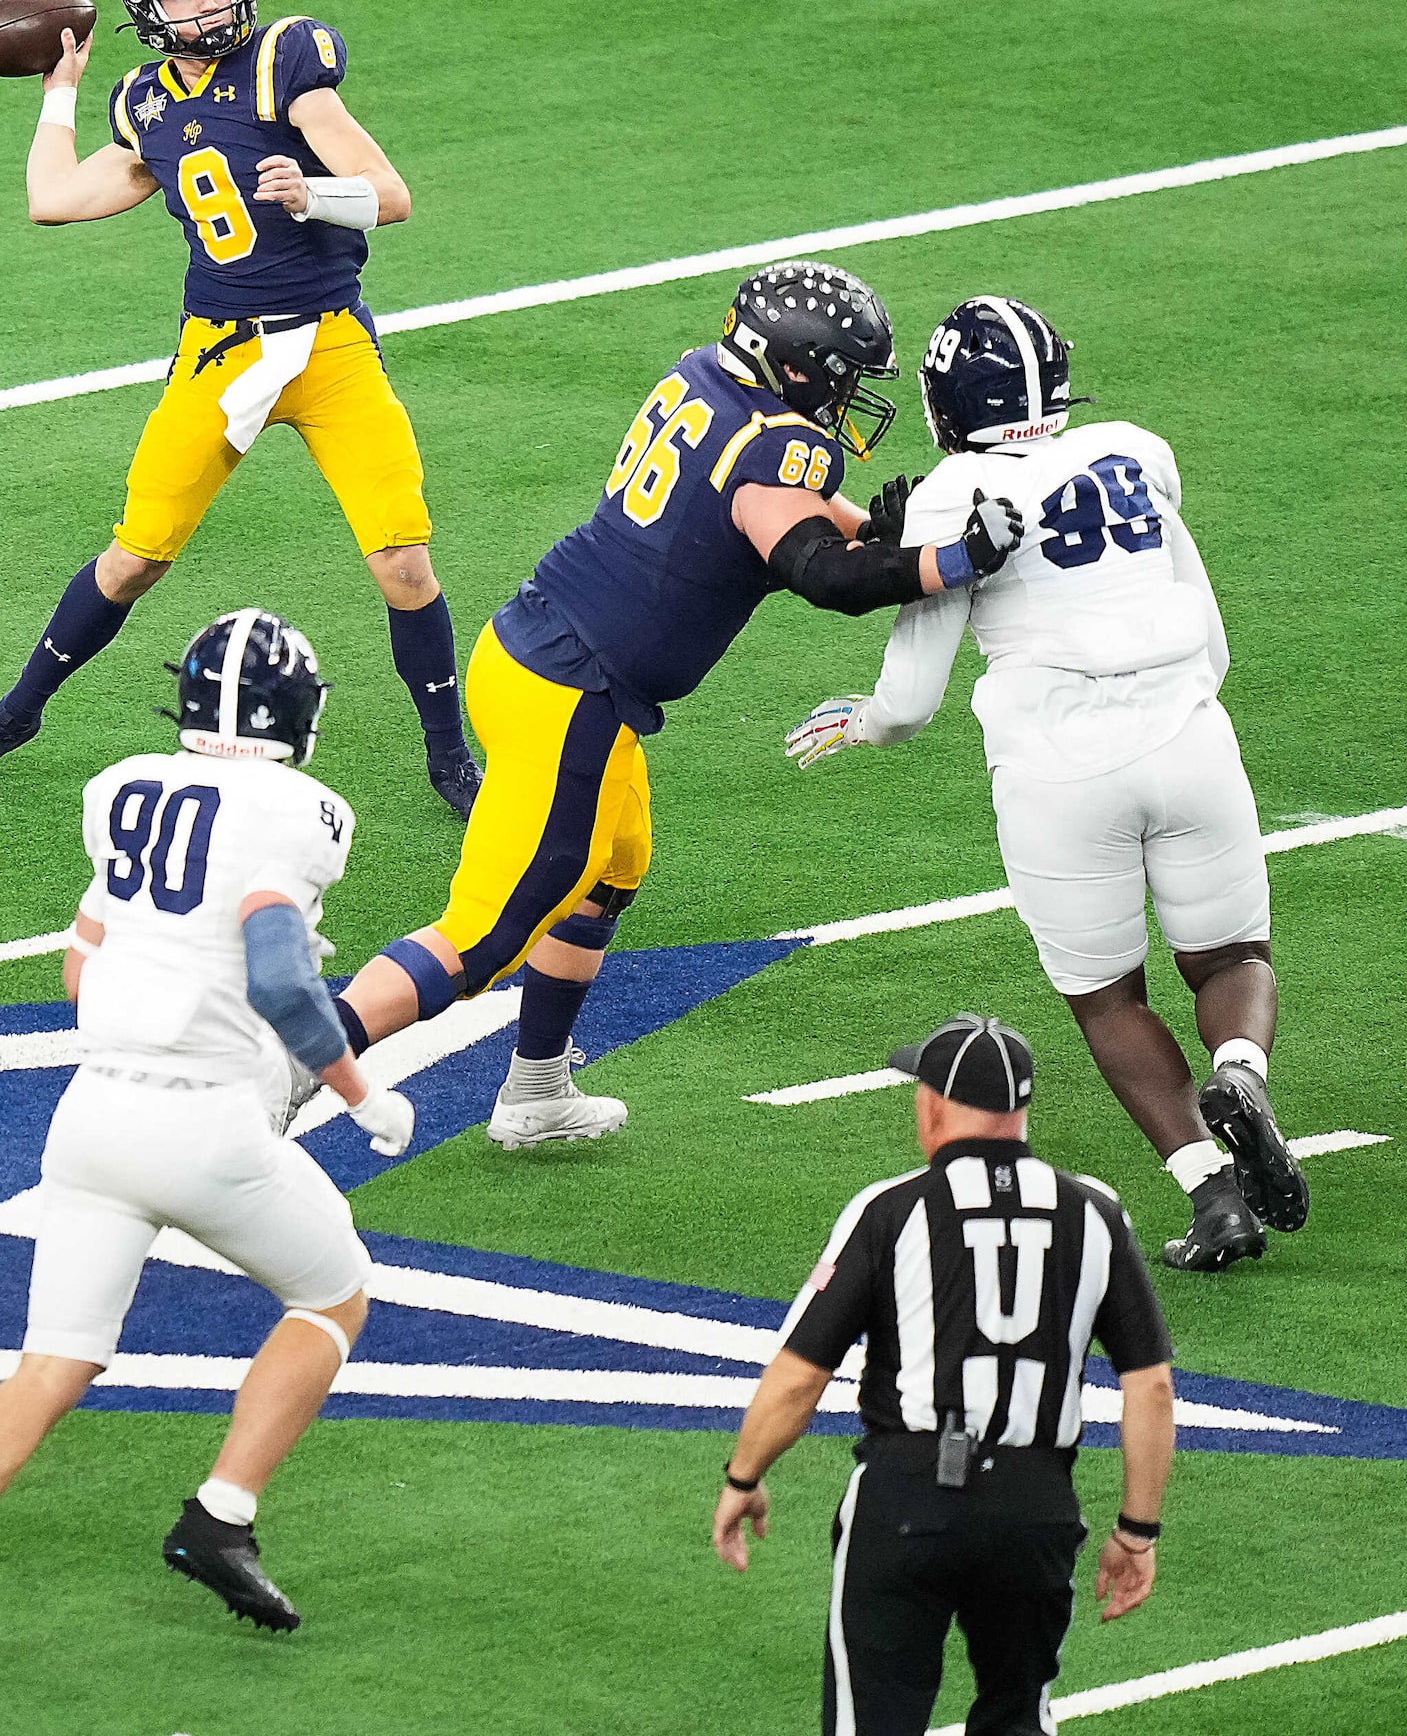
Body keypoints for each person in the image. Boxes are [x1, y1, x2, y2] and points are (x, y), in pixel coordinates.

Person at [324, 262, 1027, 1148]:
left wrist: (872, 529)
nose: (850, 393)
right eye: (844, 372)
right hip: (569, 688)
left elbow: (775, 506)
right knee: (487, 931)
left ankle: (536, 1089)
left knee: (609, 872)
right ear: (799, 366)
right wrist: (949, 559)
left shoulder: (704, 373)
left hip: (537, 655)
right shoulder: (780, 444)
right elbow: (818, 572)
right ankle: (290, 1059)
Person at [0, 609, 416, 1667]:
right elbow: (276, 979)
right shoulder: (297, 810)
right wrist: (358, 1089)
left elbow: (80, 969)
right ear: (295, 713)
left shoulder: (123, 790)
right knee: (331, 1295)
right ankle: (220, 1515)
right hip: (203, 1116)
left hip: (90, 1119)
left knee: (53, 1361)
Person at [0, 0, 483, 817]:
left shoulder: (286, 61)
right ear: (149, 6)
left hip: (329, 345)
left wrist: (316, 193)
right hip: (216, 353)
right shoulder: (142, 99)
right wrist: (58, 90)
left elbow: (391, 195)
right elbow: (53, 201)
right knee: (134, 558)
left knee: (402, 562)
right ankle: (8, 718)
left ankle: (450, 755)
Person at [780, 296, 1305, 1272]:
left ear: (946, 402)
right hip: (1188, 738)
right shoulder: (1129, 451)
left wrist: (857, 723)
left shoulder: (951, 493)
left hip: (1059, 772)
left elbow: (907, 701)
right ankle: (1238, 1068)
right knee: (1230, 955)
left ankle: (1209, 1193)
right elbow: (1207, 624)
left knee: (1106, 998)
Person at [712, 1013, 1176, 1736]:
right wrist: (1136, 1530)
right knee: (1018, 1719)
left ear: (931, 1102)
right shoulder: (1095, 1213)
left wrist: (743, 1477)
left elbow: (801, 1375)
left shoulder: (888, 1210)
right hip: (1034, 1505)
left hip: (908, 1495)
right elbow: (1148, 1387)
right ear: (1020, 1112)